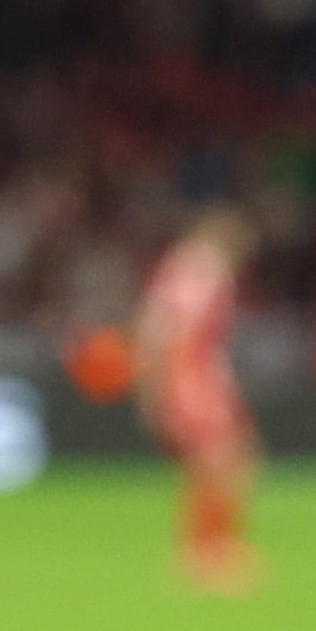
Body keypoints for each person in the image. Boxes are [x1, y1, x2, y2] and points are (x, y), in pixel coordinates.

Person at [134, 206, 259, 592]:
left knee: (223, 463)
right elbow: (164, 329)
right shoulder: (200, 271)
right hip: (189, 379)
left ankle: (209, 549)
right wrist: (158, 386)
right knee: (224, 461)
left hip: (195, 377)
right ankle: (206, 552)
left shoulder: (186, 268)